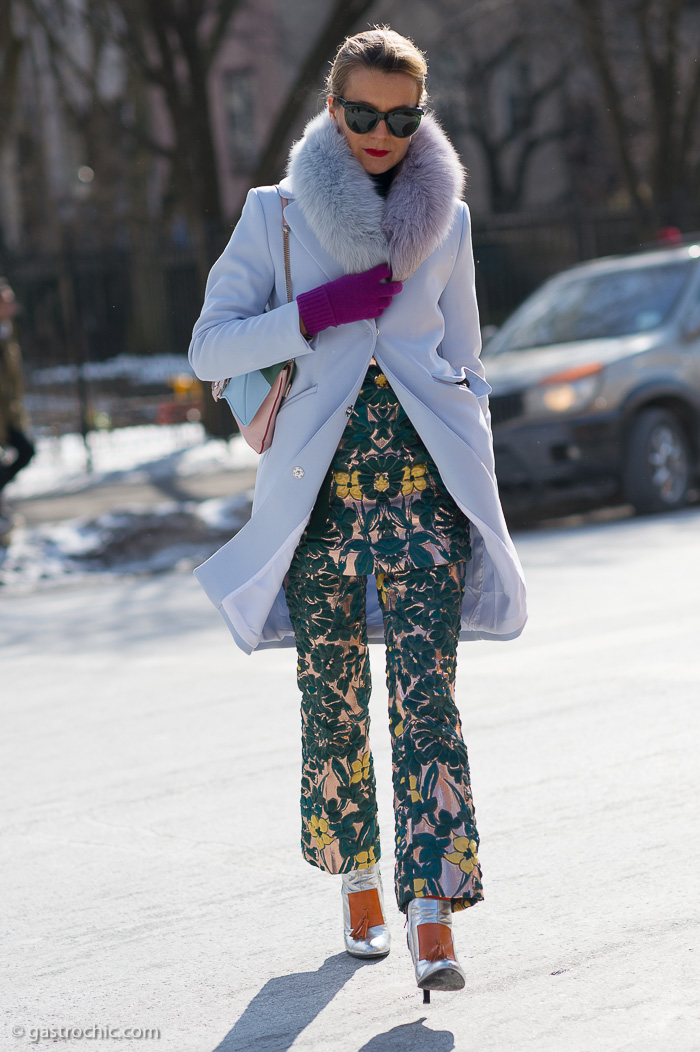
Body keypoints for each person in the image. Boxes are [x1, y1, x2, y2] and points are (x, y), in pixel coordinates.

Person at [189, 27, 527, 999]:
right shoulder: (277, 214)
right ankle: (361, 878)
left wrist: (466, 413)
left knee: (429, 701)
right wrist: (315, 310)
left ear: (421, 115)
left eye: (402, 115)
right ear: (334, 111)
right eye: (364, 112)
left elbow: (464, 352)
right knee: (333, 707)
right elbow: (210, 345)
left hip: (427, 496)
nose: (383, 132)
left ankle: (432, 908)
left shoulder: (448, 220)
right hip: (320, 504)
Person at [0, 277, 34, 538]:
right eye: (6, 301)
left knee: (25, 451)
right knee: (23, 451)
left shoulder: (7, 330)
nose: (11, 306)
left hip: (8, 413)